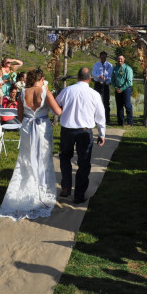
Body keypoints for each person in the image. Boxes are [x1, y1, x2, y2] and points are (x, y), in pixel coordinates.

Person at [0, 69, 63, 220]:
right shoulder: (45, 91)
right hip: (41, 127)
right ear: (42, 78)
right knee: (44, 159)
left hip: (27, 127)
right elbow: (57, 112)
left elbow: (19, 116)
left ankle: (25, 191)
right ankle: (42, 192)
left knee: (25, 159)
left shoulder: (22, 92)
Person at [55, 67, 106, 204]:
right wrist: (102, 133)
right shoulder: (94, 94)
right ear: (90, 79)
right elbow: (100, 116)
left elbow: (56, 104)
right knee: (83, 162)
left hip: (67, 130)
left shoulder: (67, 91)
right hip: (84, 130)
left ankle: (66, 187)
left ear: (77, 78)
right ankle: (79, 194)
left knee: (65, 157)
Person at [112, 54, 134, 126]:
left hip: (126, 89)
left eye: (121, 59)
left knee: (127, 106)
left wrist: (122, 89)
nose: (120, 60)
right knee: (119, 106)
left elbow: (129, 81)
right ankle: (120, 122)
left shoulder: (128, 69)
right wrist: (116, 87)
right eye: (118, 59)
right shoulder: (115, 69)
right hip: (117, 89)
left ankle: (130, 122)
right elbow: (112, 79)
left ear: (124, 59)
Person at [92, 51, 113, 124]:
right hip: (98, 83)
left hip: (106, 84)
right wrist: (99, 76)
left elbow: (110, 76)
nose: (103, 58)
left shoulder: (110, 65)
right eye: (102, 57)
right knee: (96, 102)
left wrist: (106, 82)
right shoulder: (96, 65)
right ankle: (95, 119)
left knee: (106, 102)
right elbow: (93, 74)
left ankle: (107, 120)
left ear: (106, 57)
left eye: (104, 57)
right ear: (100, 57)